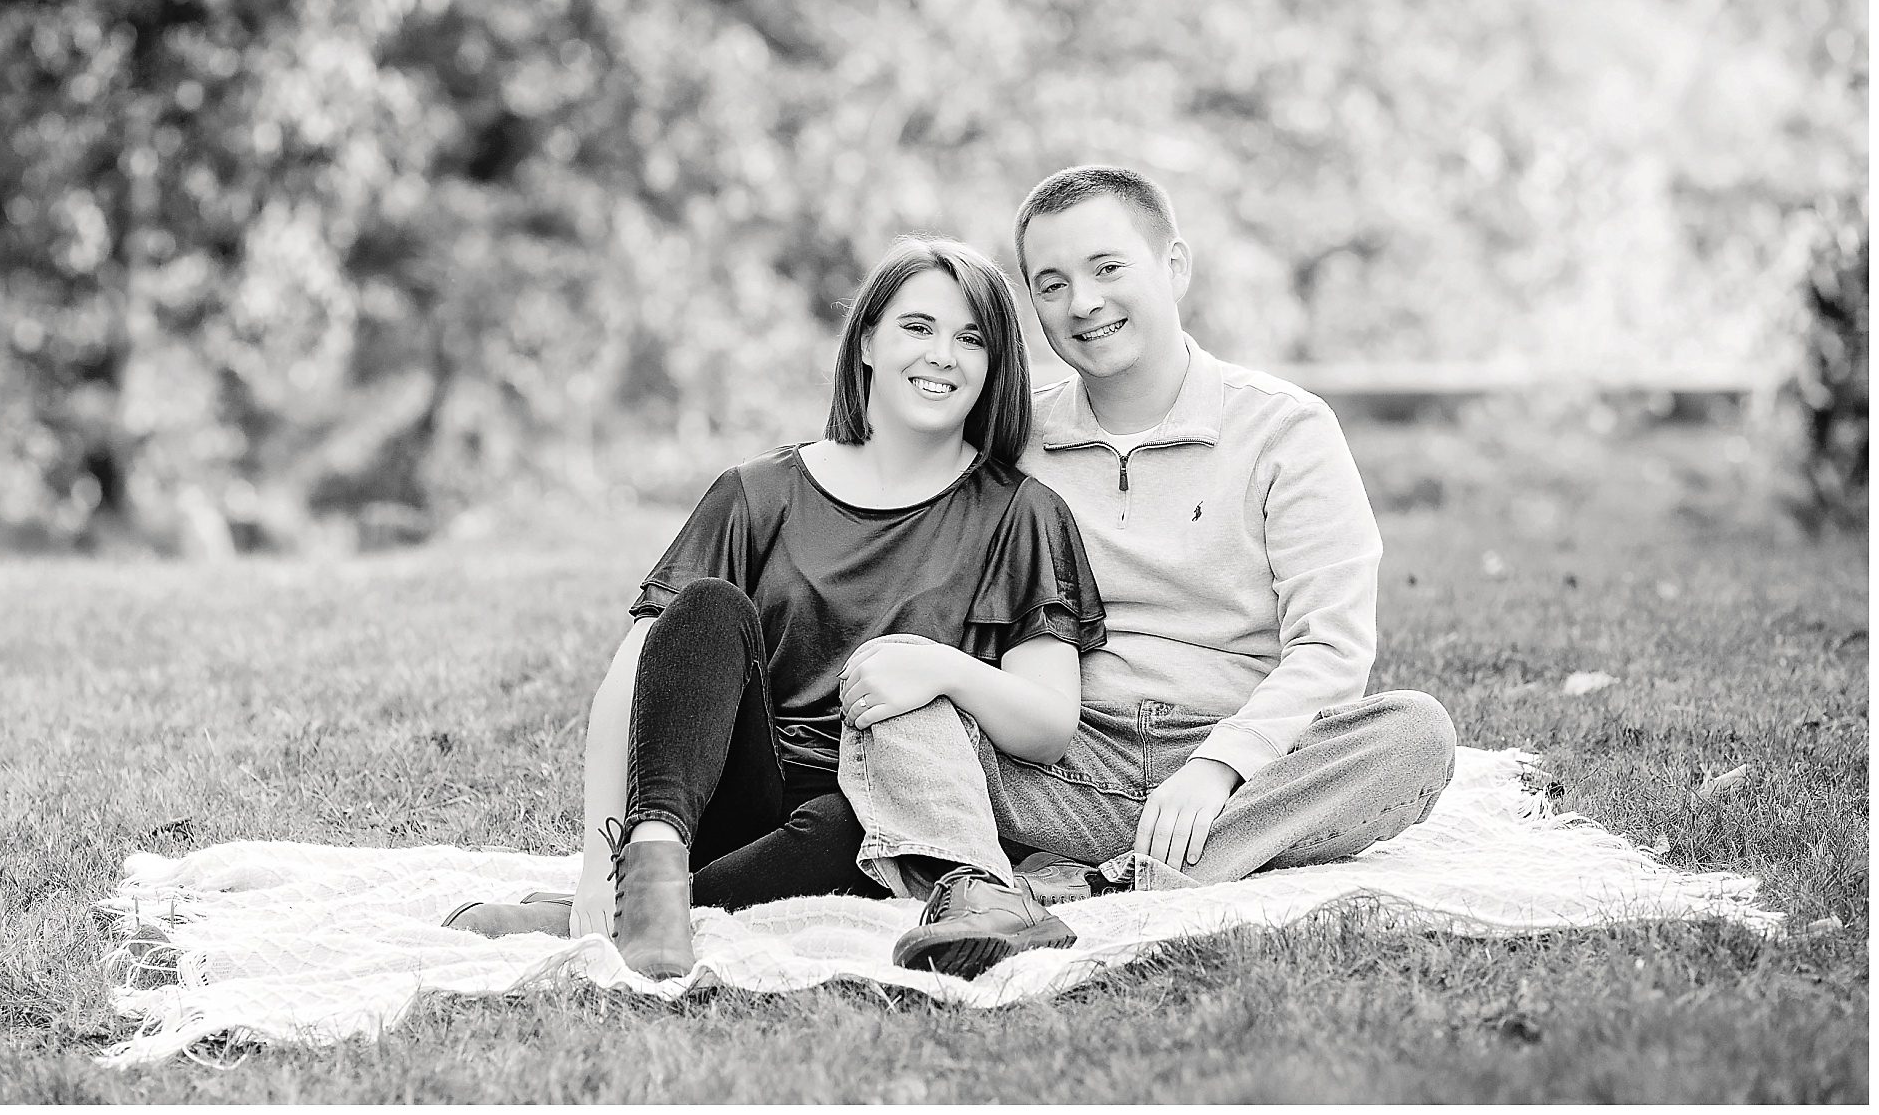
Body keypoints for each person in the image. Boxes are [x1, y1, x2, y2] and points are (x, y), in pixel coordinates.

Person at [838, 166, 1459, 978]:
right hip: (1062, 762)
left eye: (1108, 269)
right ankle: (982, 891)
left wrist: (1217, 767)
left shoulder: (1286, 430)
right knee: (898, 702)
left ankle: (1107, 886)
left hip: (1241, 769)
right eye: (1051, 284)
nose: (1083, 303)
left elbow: (1332, 649)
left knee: (1416, 733)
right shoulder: (1014, 440)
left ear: (1175, 266)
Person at [446, 235, 1106, 979]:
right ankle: (650, 865)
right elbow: (627, 684)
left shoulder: (1020, 514)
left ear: (995, 366)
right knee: (703, 608)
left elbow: (1049, 727)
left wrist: (947, 671)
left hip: (875, 813)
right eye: (917, 328)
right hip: (719, 792)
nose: (943, 356)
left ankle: (636, 916)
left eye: (971, 338)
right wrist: (603, 861)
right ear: (865, 343)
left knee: (852, 822)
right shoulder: (757, 494)